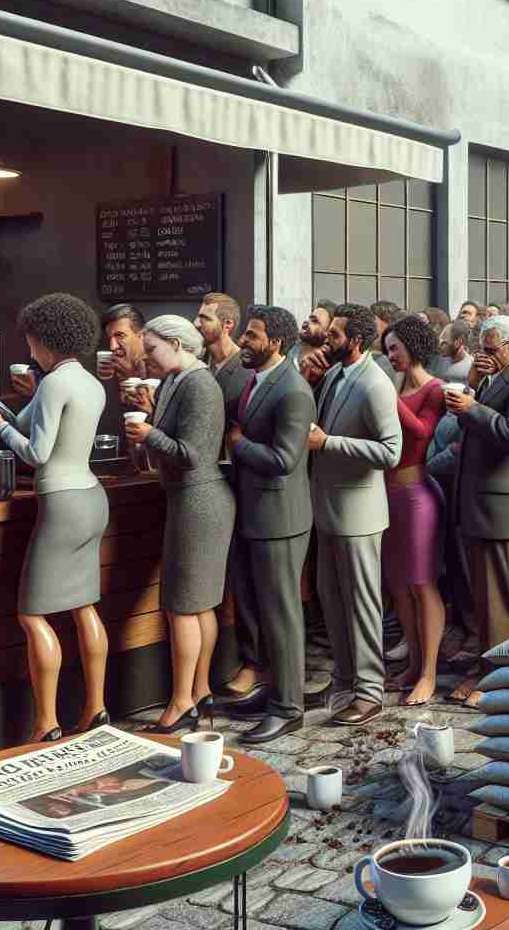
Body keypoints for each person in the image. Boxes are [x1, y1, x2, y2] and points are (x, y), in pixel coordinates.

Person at [0, 293, 110, 743]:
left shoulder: (54, 384)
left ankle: (46, 724)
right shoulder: (89, 381)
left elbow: (36, 451)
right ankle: (96, 710)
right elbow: (37, 425)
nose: (29, 351)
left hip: (63, 503)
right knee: (83, 605)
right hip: (92, 499)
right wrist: (7, 412)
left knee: (32, 613)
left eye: (32, 342)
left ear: (46, 340)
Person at [125, 314, 235, 735]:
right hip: (192, 501)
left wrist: (148, 433)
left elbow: (193, 455)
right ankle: (201, 691)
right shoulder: (177, 380)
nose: (147, 356)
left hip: (199, 502)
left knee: (183, 607)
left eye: (151, 348)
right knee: (198, 604)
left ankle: (181, 701)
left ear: (176, 343)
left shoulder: (200, 385)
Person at [435, 315, 509, 707]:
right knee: (485, 598)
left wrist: (473, 407)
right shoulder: (496, 375)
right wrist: (475, 391)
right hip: (483, 504)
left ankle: (508, 676)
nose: (485, 354)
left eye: (492, 349)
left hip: (506, 508)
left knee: (505, 600)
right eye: (482, 347)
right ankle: (489, 665)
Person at [301, 304, 401, 726]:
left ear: (356, 341)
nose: (327, 340)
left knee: (361, 604)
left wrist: (329, 443)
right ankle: (343, 681)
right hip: (329, 509)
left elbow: (390, 452)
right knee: (332, 600)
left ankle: (370, 692)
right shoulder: (336, 376)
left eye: (336, 336)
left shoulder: (375, 384)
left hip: (358, 513)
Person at [219, 305, 314, 743]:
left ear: (275, 342)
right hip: (258, 514)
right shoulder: (258, 380)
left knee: (282, 616)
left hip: (280, 518)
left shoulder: (292, 390)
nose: (243, 341)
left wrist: (238, 444)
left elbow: (283, 460)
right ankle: (275, 691)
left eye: (252, 336)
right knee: (263, 613)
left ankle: (289, 707)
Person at [379, 315, 447, 708]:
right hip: (387, 493)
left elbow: (421, 433)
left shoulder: (434, 388)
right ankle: (414, 665)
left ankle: (429, 674)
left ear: (412, 346)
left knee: (423, 583)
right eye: (387, 350)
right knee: (399, 584)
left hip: (417, 494)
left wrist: (388, 399)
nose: (390, 356)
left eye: (395, 348)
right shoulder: (398, 384)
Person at [194, 292, 259, 693]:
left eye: (205, 318)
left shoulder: (244, 370)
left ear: (227, 324)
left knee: (244, 577)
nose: (198, 324)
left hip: (239, 483)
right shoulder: (202, 366)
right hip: (207, 480)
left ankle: (253, 663)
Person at [97, 303, 147, 382]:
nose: (112, 346)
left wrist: (131, 378)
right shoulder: (113, 372)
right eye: (110, 338)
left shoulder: (160, 369)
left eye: (120, 335)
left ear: (142, 335)